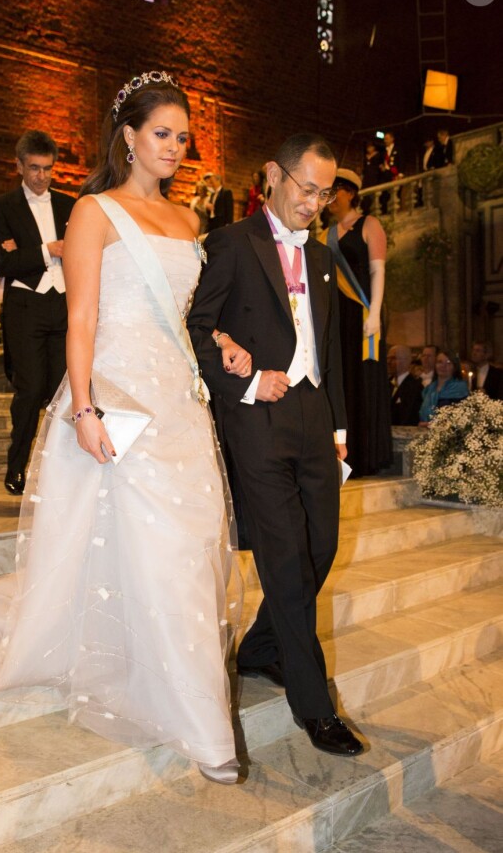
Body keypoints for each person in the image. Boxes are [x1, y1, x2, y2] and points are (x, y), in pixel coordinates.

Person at [0, 72, 243, 786]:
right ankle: (202, 723)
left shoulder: (190, 223)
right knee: (160, 541)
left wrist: (221, 341)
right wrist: (85, 407)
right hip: (117, 392)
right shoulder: (94, 212)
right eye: (162, 133)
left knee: (188, 546)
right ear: (128, 136)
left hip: (180, 400)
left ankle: (171, 678)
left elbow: (189, 317)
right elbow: (83, 319)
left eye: (183, 137)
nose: (174, 147)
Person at [188, 133, 365, 758]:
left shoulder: (320, 256)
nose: (314, 203)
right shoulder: (232, 244)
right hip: (258, 418)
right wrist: (244, 378)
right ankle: (314, 708)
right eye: (306, 188)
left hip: (314, 417)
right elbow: (195, 327)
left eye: (325, 193)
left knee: (322, 545)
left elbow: (331, 347)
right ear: (273, 176)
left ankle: (264, 647)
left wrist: (339, 428)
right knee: (286, 560)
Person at [0, 130, 76, 496]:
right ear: (19, 165)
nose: (42, 176)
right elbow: (0, 261)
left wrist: (23, 252)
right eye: (35, 168)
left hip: (64, 305)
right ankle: (17, 466)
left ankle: (60, 470)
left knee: (63, 391)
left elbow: (82, 253)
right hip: (25, 310)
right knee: (30, 390)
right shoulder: (2, 207)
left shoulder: (71, 205)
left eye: (48, 169)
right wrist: (46, 249)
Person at [325, 168, 393, 476]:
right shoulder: (327, 234)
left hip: (364, 313)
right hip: (339, 318)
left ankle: (368, 455)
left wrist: (375, 312)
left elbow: (378, 271)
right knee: (343, 381)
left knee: (364, 380)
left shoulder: (370, 224)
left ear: (351, 192)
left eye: (334, 191)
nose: (329, 198)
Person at [419, 349, 468, 425]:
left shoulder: (460, 388)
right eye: (440, 362)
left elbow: (459, 417)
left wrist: (432, 424)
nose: (443, 366)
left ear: (455, 367)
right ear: (435, 365)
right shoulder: (429, 388)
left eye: (448, 363)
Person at [388, 344, 423, 426]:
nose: (388, 362)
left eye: (393, 358)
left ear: (407, 361)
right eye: (388, 358)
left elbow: (410, 417)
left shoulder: (416, 387)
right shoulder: (385, 385)